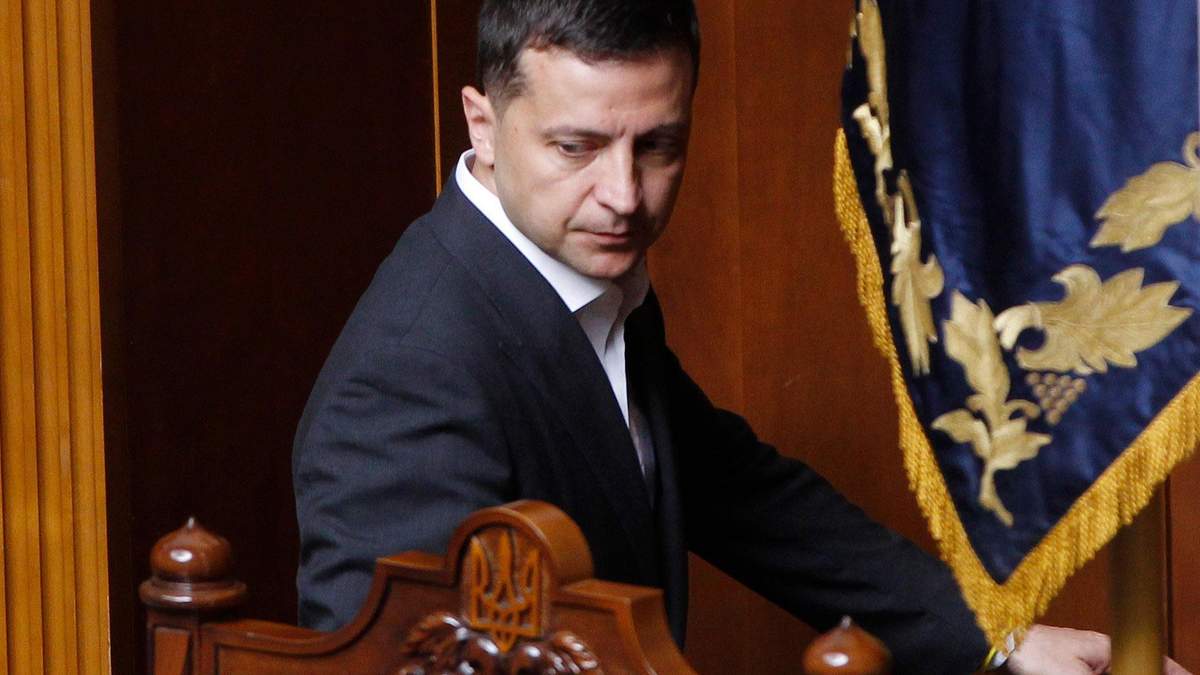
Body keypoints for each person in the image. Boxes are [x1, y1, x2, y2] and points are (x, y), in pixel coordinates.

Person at [291, 2, 1185, 673]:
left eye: (658, 145)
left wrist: (1001, 639)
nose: (624, 196)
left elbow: (742, 496)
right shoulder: (408, 375)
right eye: (576, 147)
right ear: (482, 125)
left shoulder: (577, 272)